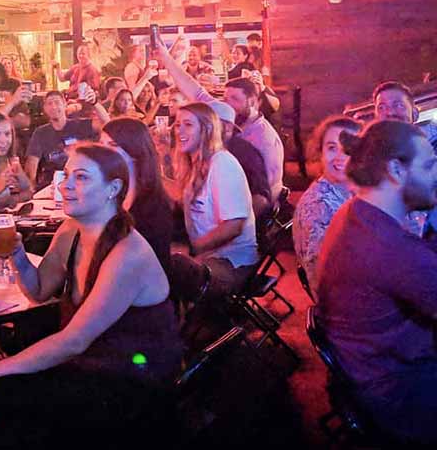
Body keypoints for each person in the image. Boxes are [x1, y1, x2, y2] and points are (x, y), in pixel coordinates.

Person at [0, 144, 181, 445]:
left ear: (113, 189)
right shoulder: (71, 230)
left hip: (133, 378)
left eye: (80, 177)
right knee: (3, 391)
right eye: (65, 175)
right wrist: (15, 253)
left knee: (4, 395)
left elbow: (74, 340)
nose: (65, 185)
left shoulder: (127, 253)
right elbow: (38, 291)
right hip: (91, 362)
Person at [317, 120, 437, 445]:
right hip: (397, 392)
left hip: (365, 373)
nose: (436, 175)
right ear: (396, 170)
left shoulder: (356, 214)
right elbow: (413, 267)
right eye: (429, 165)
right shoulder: (389, 247)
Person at [157, 41, 285, 204]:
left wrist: (233, 225)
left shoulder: (263, 140)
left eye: (235, 99)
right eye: (225, 98)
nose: (228, 103)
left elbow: (267, 194)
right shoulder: (226, 115)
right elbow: (192, 88)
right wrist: (165, 56)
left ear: (253, 102)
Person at [171, 103, 257, 298]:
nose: (179, 131)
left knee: (167, 273)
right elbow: (178, 197)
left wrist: (191, 250)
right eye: (177, 125)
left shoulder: (222, 164)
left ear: (207, 129)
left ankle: (179, 327)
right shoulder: (195, 163)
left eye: (188, 125)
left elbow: (233, 226)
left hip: (232, 264)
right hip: (209, 256)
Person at [293, 116, 361, 291]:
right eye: (332, 148)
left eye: (349, 149)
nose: (340, 157)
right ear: (320, 153)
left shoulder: (350, 189)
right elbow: (325, 279)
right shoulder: (319, 205)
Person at [98, 118, 173, 271]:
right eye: (101, 144)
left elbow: (149, 263)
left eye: (113, 145)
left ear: (134, 151)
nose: (103, 152)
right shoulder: (112, 193)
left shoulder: (153, 206)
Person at [209, 100, 272, 217]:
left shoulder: (244, 153)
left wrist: (236, 224)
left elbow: (261, 199)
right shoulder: (204, 149)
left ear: (227, 128)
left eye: (209, 124)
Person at [25, 91, 95, 188]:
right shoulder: (40, 133)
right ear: (44, 108)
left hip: (80, 179)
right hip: (52, 183)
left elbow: (106, 124)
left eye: (57, 102)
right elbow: (32, 163)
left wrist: (96, 103)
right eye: (49, 103)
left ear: (64, 104)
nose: (53, 107)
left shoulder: (80, 125)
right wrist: (31, 189)